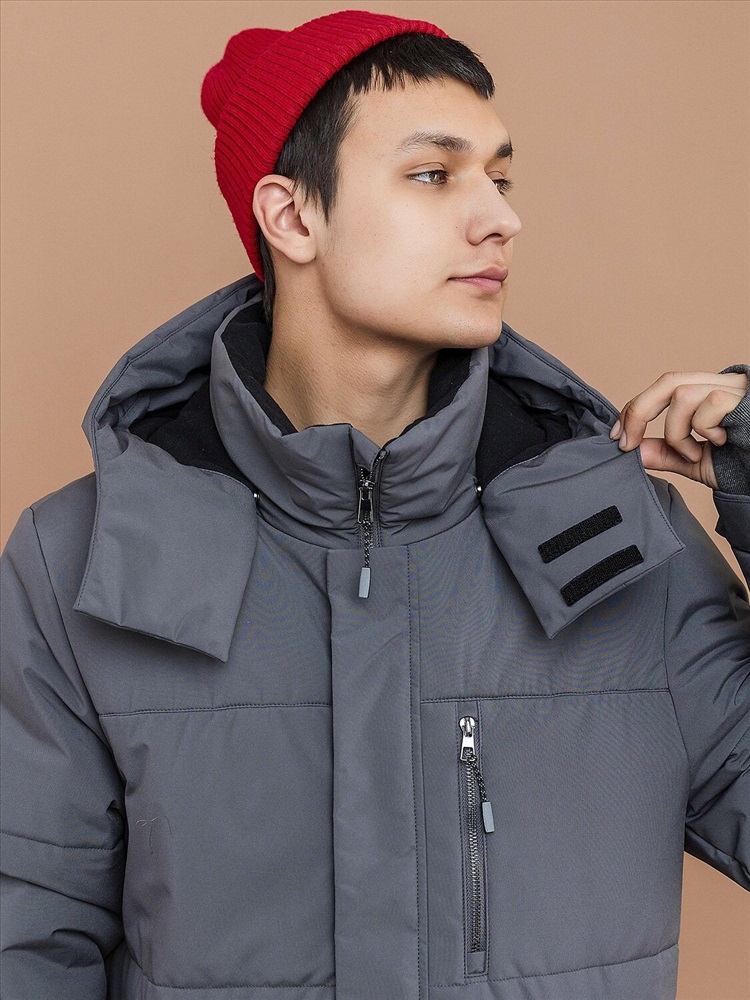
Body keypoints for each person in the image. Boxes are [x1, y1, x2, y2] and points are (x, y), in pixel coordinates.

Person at [1, 9, 747, 999]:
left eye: (500, 178)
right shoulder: (81, 559)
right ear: (291, 217)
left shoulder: (621, 543)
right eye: (434, 174)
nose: (500, 219)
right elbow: (25, 939)